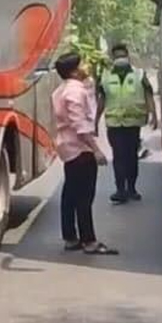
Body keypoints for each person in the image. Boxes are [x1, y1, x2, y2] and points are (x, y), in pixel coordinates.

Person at [51, 51, 116, 254]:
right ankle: (89, 241)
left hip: (67, 148)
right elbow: (80, 125)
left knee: (70, 194)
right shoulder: (75, 92)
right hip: (80, 149)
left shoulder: (61, 90)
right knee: (84, 197)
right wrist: (96, 150)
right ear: (74, 70)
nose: (85, 66)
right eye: (82, 64)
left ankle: (71, 237)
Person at [96, 44, 157, 204]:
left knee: (131, 157)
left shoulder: (139, 74)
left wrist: (154, 115)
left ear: (128, 56)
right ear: (112, 58)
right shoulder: (105, 76)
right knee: (118, 157)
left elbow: (148, 95)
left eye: (123, 55)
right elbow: (101, 100)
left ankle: (131, 188)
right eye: (117, 56)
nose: (120, 59)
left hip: (133, 123)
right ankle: (120, 190)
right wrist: (95, 121)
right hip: (114, 124)